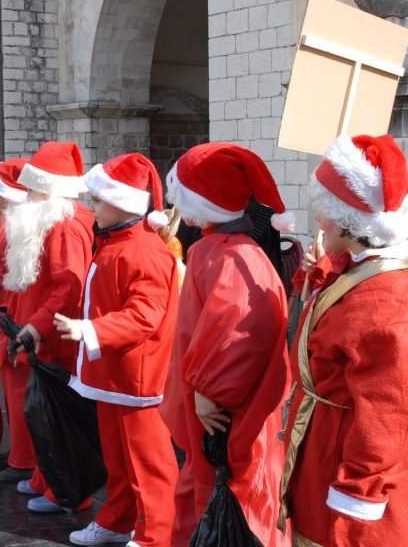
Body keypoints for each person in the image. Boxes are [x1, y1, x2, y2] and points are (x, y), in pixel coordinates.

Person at [278, 134, 408, 547]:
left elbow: (390, 411)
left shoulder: (391, 300)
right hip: (327, 439)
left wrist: (359, 488)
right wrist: (319, 273)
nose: (319, 221)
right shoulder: (362, 269)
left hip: (348, 462)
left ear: (346, 221)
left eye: (325, 213)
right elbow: (343, 310)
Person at [160, 142, 293, 547]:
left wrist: (207, 391)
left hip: (223, 411)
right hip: (219, 404)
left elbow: (237, 331)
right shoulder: (226, 250)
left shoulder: (224, 254)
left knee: (225, 503)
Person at [54, 153, 179, 547]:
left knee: (148, 463)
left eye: (99, 200)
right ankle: (118, 520)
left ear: (122, 203)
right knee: (119, 460)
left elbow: (145, 315)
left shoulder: (141, 250)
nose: (92, 207)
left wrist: (91, 329)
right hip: (114, 371)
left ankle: (156, 535)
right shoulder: (117, 242)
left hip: (136, 376)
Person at [2, 141, 96, 513]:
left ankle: (65, 490)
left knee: (57, 416)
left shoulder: (65, 227)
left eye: (32, 189)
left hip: (55, 336)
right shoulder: (51, 221)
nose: (25, 196)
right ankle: (46, 478)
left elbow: (68, 286)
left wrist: (37, 326)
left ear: (50, 190)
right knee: (42, 413)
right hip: (42, 332)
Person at [0, 157, 35, 482]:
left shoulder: (16, 225)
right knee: (13, 394)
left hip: (13, 317)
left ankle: (24, 459)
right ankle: (19, 451)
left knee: (19, 395)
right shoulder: (7, 221)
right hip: (4, 316)